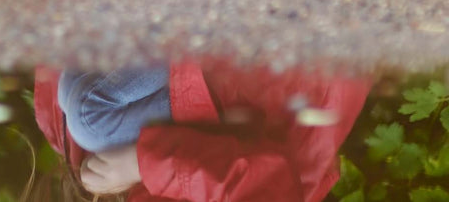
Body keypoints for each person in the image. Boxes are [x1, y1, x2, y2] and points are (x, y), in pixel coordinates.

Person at [31, 62, 370, 200]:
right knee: (89, 120)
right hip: (265, 91)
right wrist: (140, 165)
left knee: (77, 111)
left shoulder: (65, 144)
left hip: (222, 94)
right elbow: (261, 182)